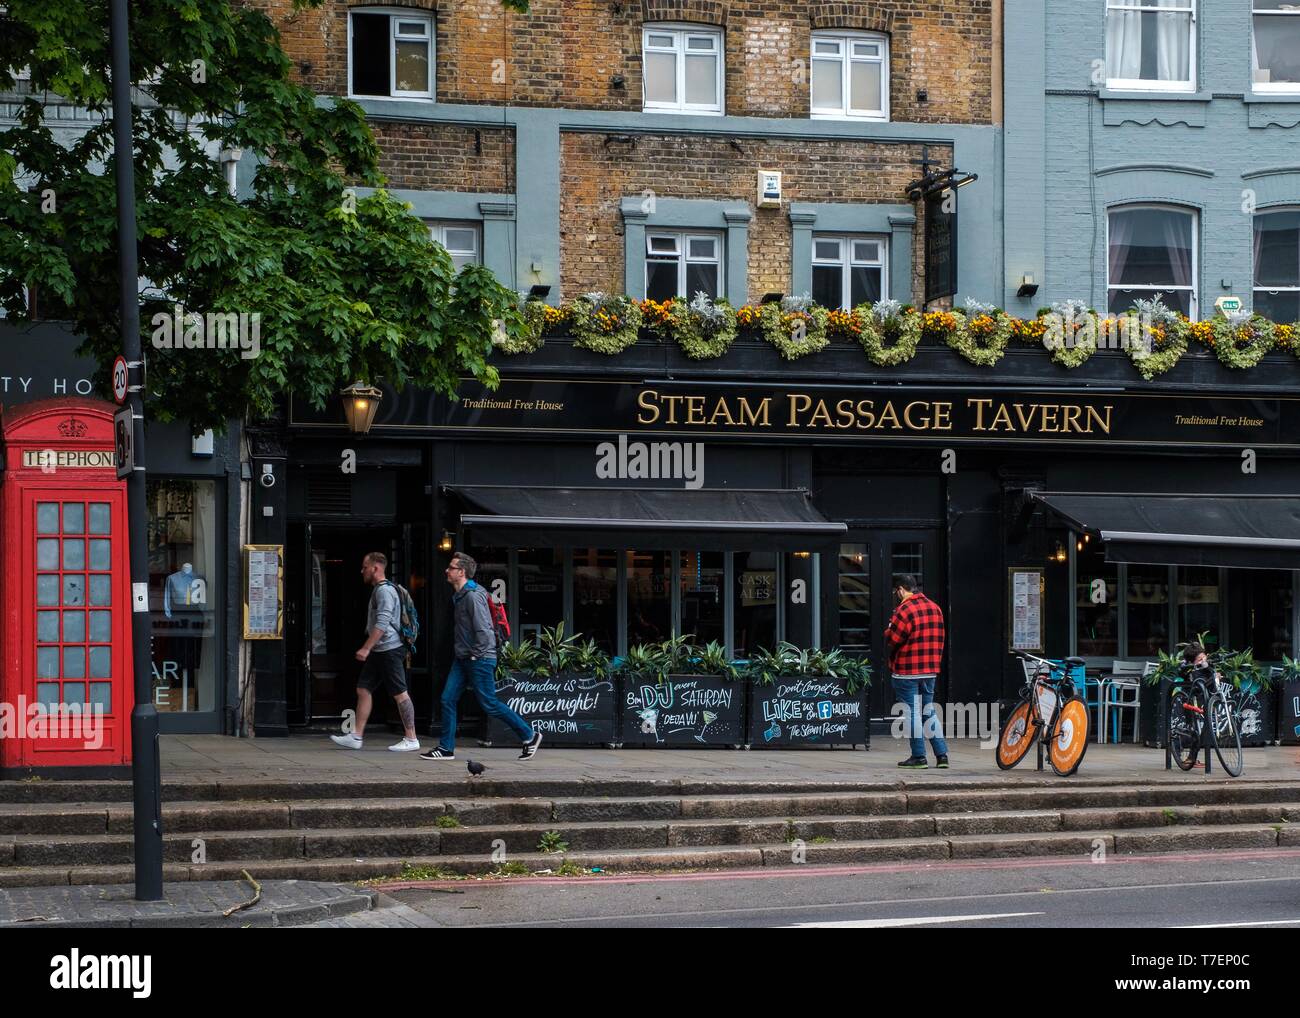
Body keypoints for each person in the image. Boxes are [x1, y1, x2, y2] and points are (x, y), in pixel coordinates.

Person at [420, 551, 543, 761]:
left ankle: (529, 735)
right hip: (463, 658)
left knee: (489, 703)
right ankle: (446, 748)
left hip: (479, 658)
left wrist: (476, 656)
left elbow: (484, 631)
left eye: (451, 567)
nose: (446, 570)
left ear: (462, 572)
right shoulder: (460, 596)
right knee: (448, 699)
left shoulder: (473, 596)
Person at [330, 552, 421, 752]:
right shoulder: (381, 590)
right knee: (363, 689)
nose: (362, 570)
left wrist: (366, 648)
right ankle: (356, 736)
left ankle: (412, 738)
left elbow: (383, 622)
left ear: (376, 568)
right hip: (381, 651)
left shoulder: (384, 591)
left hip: (389, 649)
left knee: (400, 694)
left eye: (365, 567)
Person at [886, 574, 949, 769]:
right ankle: (942, 756)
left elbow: (892, 640)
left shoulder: (903, 610)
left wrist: (889, 628)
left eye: (896, 592)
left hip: (907, 670)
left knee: (912, 712)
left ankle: (919, 756)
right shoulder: (935, 608)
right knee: (928, 710)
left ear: (901, 590)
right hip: (930, 670)